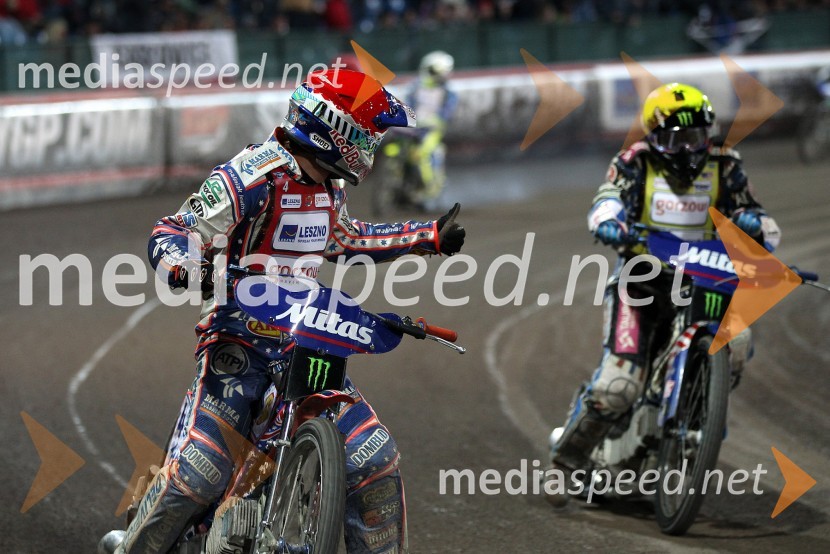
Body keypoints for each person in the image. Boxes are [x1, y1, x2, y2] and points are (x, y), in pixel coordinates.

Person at [100, 69, 465, 553]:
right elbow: (172, 230)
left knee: (375, 460)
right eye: (366, 134)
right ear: (334, 130)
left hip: (307, 339)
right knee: (200, 473)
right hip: (239, 344)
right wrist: (186, 268)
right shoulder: (250, 175)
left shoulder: (330, 184)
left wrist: (426, 238)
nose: (371, 146)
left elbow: (343, 239)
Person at [545, 82, 781, 505]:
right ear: (655, 136)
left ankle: (695, 411)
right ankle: (568, 459)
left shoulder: (726, 164)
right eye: (677, 138)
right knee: (618, 387)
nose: (689, 147)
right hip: (641, 282)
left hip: (706, 282)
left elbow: (751, 208)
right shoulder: (634, 161)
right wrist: (608, 220)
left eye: (696, 135)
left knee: (738, 344)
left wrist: (751, 222)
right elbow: (608, 197)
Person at [403, 50, 458, 208]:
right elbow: (407, 104)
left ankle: (429, 188)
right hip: (412, 127)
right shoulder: (415, 87)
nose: (442, 76)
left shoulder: (448, 92)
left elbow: (447, 112)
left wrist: (437, 120)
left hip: (432, 129)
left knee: (425, 153)